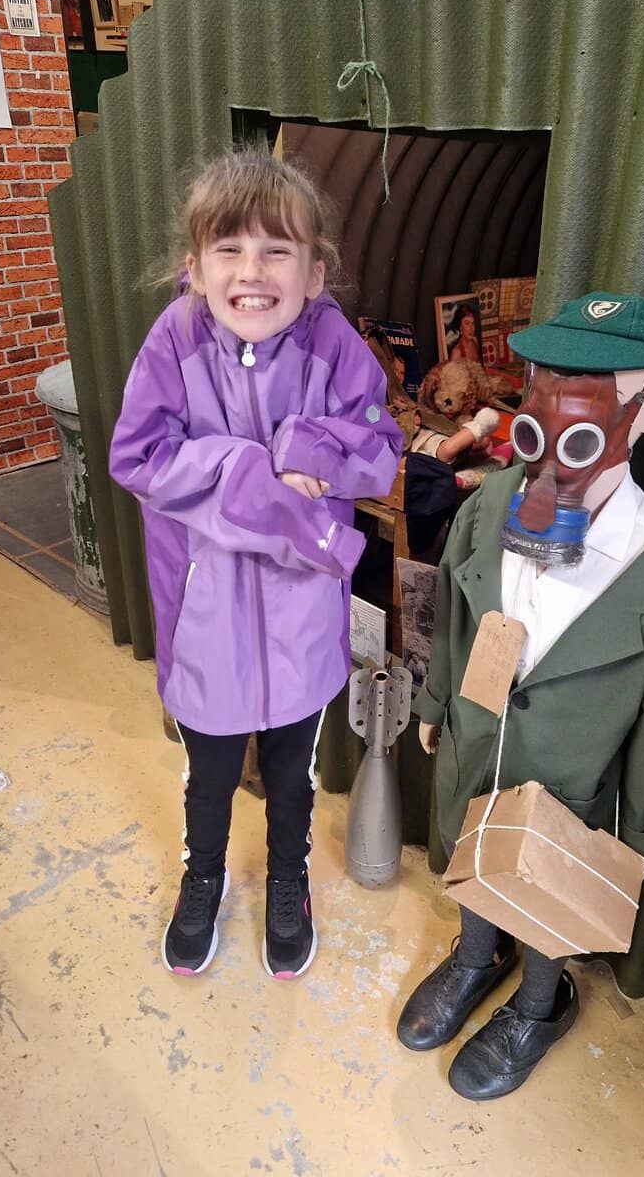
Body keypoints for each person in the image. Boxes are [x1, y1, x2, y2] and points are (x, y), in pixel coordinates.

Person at [396, 292, 644, 1100]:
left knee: (550, 887)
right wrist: (437, 704)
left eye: (599, 390)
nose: (565, 410)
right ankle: (477, 957)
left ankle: (540, 1004)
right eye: (551, 382)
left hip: (576, 782)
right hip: (479, 742)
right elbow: (458, 612)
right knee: (470, 846)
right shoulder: (491, 505)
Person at [109, 150, 403, 981]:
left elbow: (379, 448)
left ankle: (287, 881)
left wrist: (312, 447)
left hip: (301, 612)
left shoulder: (335, 345)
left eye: (278, 251)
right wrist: (248, 472)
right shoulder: (174, 340)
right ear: (195, 265)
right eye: (229, 249)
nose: (252, 272)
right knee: (208, 773)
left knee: (291, 771)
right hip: (203, 614)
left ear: (315, 272)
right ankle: (202, 878)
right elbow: (139, 456)